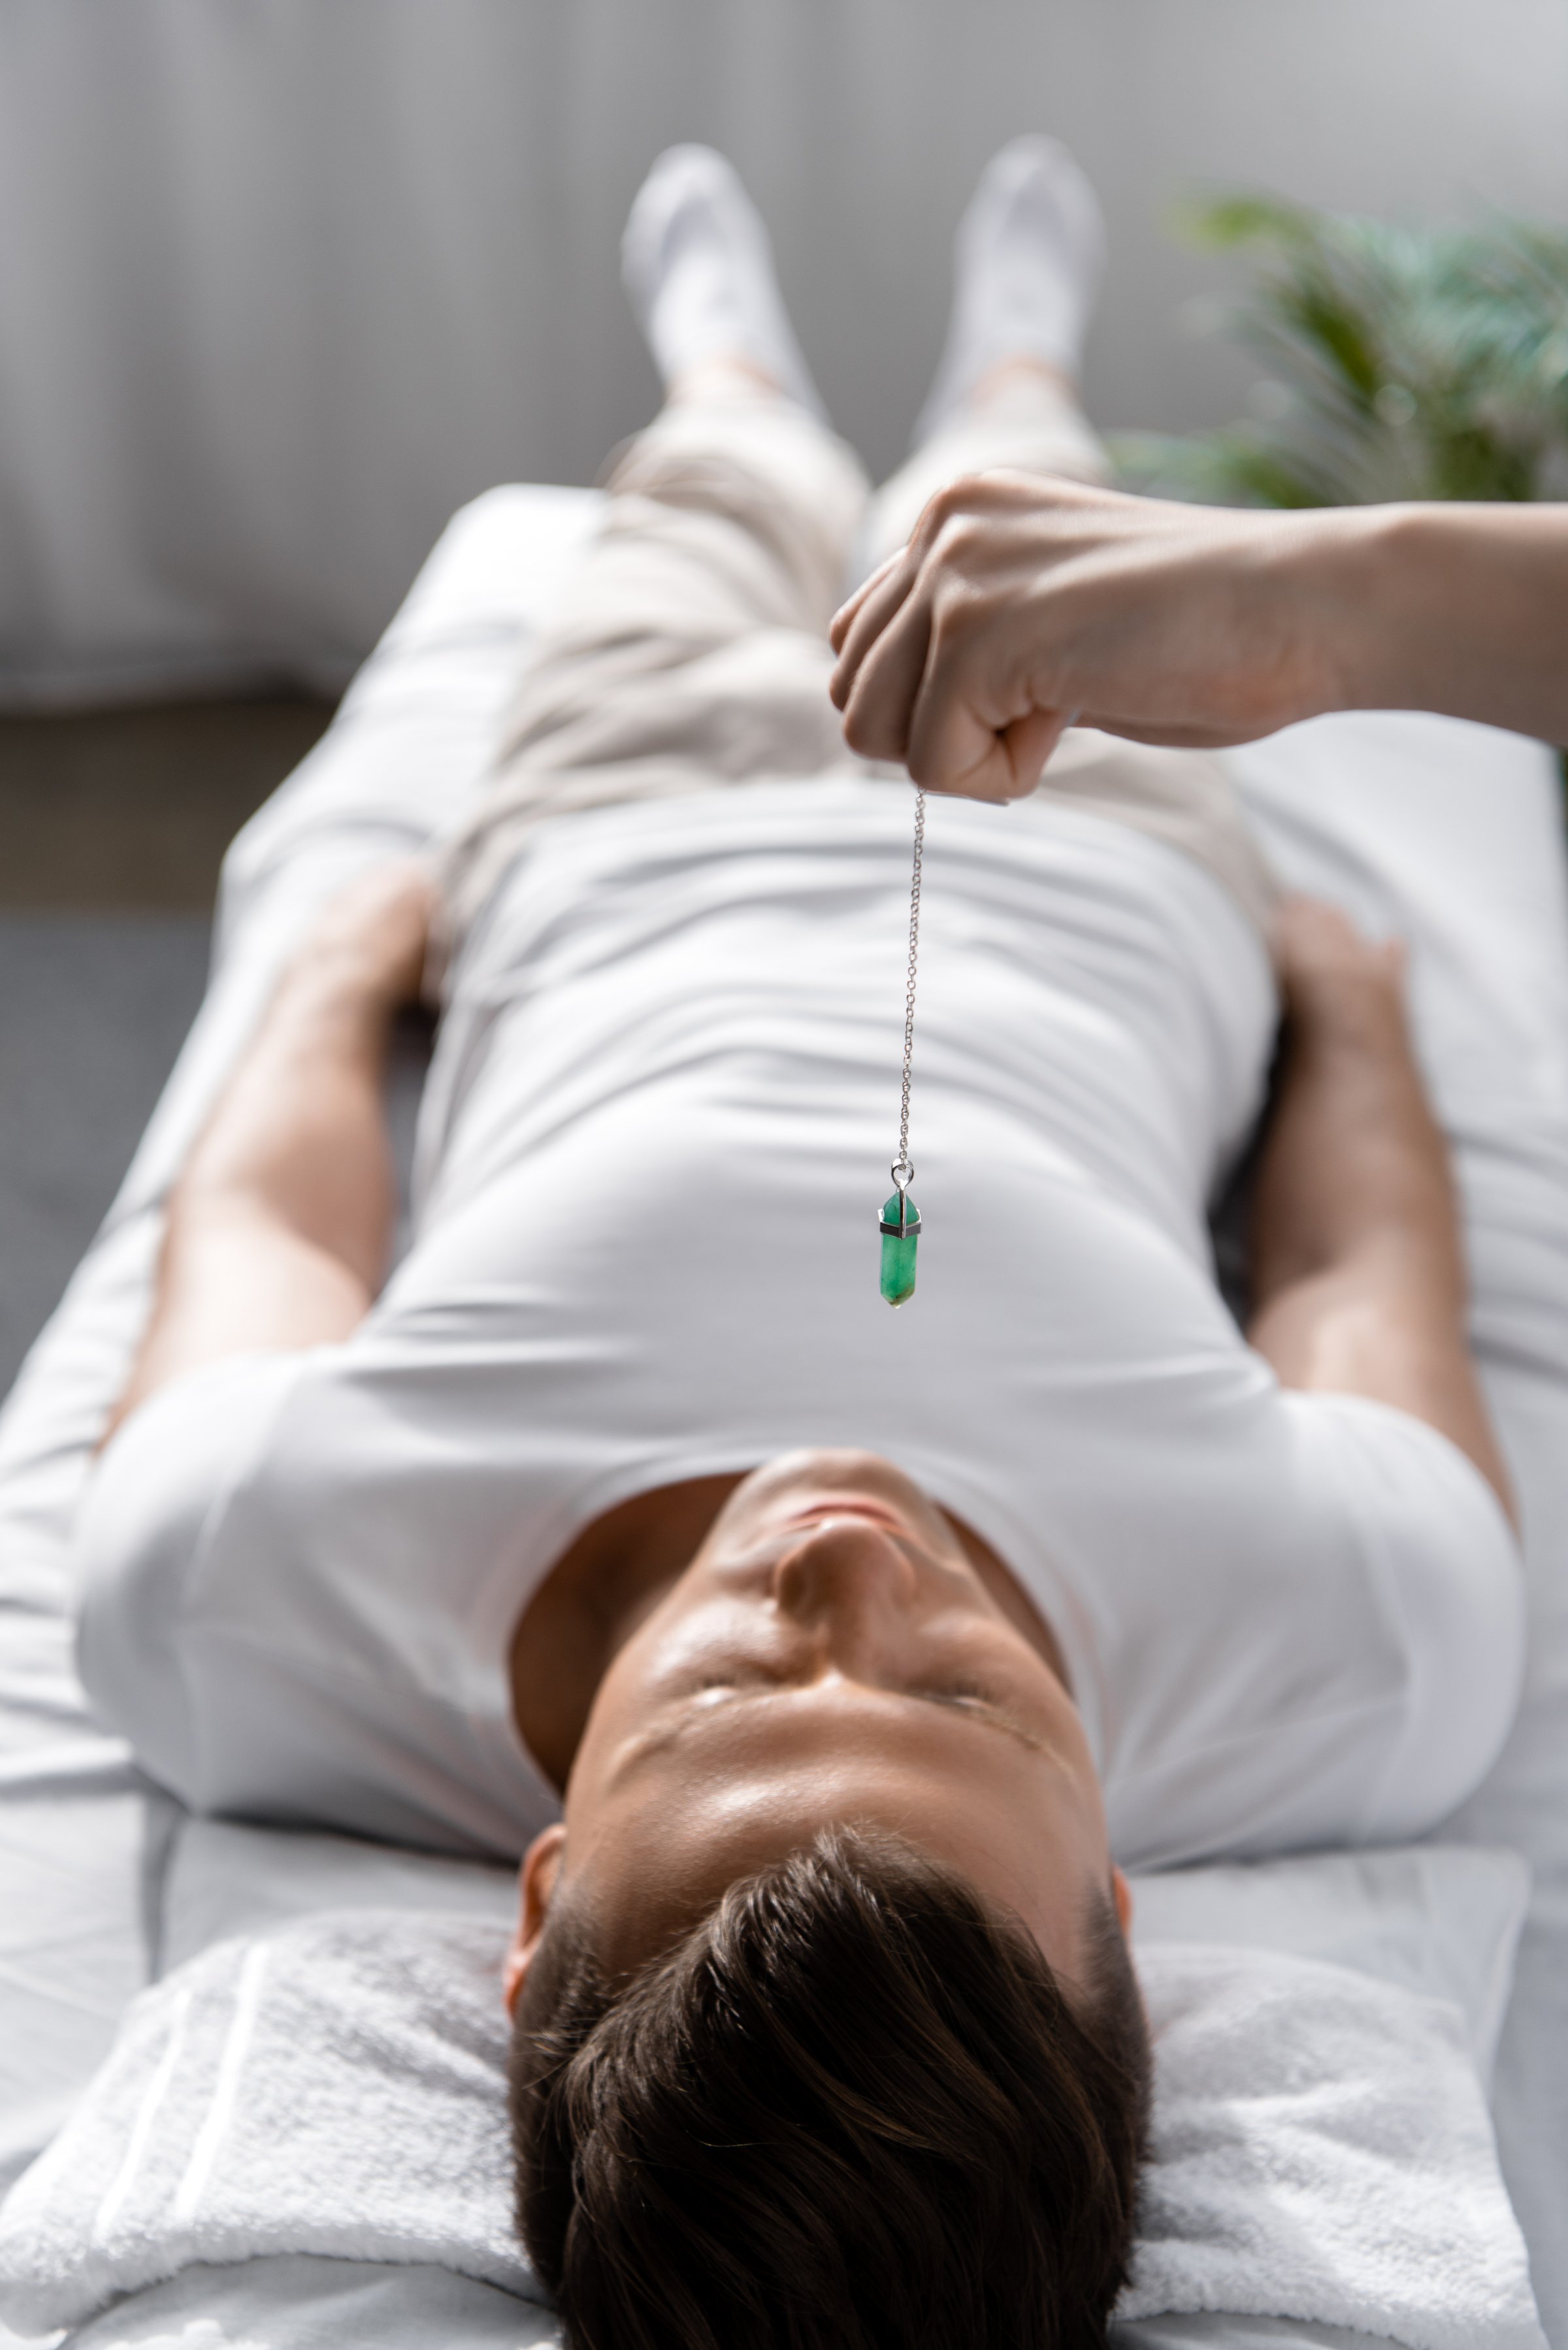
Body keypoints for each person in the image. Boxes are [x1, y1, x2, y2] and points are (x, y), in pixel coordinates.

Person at [74, 142, 1523, 2350]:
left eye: (740, 1685)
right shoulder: (1360, 1654)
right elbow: (1354, 1277)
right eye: (969, 1698)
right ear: (1115, 1894)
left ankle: (729, 362)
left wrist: (329, 976)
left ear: (544, 1892)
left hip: (613, 830)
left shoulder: (241, 1599)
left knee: (708, 497)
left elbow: (265, 1216)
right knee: (1016, 477)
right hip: (1098, 844)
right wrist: (1350, 1013)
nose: (852, 1564)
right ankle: (1016, 351)